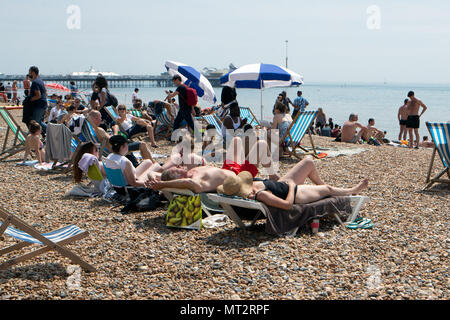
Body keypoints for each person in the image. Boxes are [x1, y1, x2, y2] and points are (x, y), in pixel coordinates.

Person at [219, 171, 369, 210]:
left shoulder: (254, 185)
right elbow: (287, 205)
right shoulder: (261, 194)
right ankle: (352, 190)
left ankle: (349, 190)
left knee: (310, 163)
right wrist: (291, 186)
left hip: (287, 186)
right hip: (298, 194)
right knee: (327, 189)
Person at [88, 110, 155, 163]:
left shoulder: (91, 130)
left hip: (110, 149)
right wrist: (115, 129)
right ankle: (151, 163)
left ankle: (141, 163)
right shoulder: (99, 130)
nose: (101, 119)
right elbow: (114, 139)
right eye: (100, 117)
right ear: (95, 118)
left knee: (128, 145)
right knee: (142, 144)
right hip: (115, 150)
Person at [23, 66, 48, 134]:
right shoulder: (40, 81)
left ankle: (54, 130)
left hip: (39, 105)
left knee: (36, 123)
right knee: (39, 122)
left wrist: (29, 99)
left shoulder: (35, 82)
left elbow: (38, 95)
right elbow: (46, 93)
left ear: (33, 73)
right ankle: (51, 131)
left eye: (29, 73)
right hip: (43, 104)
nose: (29, 74)